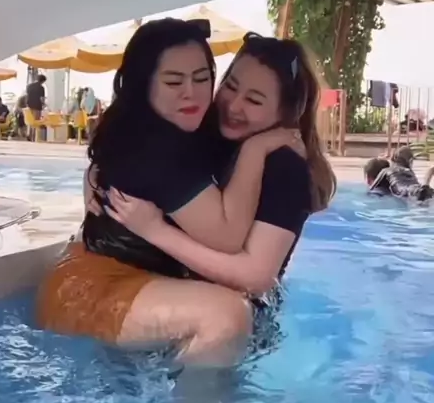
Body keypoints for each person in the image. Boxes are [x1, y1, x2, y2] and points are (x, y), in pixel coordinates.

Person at [37, 20, 306, 365]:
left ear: (285, 112)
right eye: (174, 82)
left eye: (202, 78)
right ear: (145, 84)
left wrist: (101, 177)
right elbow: (227, 238)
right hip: (90, 290)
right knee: (225, 317)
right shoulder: (165, 145)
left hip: (113, 282)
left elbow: (255, 276)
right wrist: (256, 150)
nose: (192, 93)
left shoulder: (208, 134)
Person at [102, 33, 335, 297]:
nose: (234, 106)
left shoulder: (285, 168)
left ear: (286, 112)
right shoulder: (208, 131)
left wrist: (155, 231)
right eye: (231, 87)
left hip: (239, 310)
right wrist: (96, 178)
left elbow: (255, 278)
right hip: (175, 291)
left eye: (254, 100)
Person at [364, 146, 434, 201]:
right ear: (410, 161)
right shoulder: (409, 172)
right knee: (419, 191)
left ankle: (425, 184)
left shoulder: (386, 170)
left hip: (404, 191)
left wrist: (369, 191)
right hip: (414, 190)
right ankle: (425, 184)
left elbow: (374, 184)